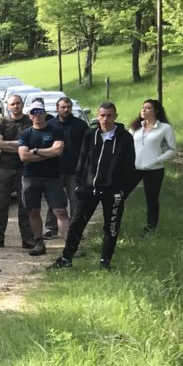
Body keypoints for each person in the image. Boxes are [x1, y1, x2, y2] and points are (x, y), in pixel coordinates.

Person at [50, 102, 136, 271]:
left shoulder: (125, 137)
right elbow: (82, 160)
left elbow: (130, 166)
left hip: (112, 191)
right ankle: (66, 258)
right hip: (88, 189)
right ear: (98, 116)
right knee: (76, 224)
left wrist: (123, 191)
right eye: (102, 115)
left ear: (115, 116)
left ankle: (105, 261)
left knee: (111, 227)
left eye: (109, 115)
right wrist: (79, 184)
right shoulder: (90, 134)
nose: (105, 119)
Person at [0, 94, 37, 249]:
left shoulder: (30, 121)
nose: (15, 106)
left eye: (18, 103)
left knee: (25, 204)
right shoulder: (2, 121)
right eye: (12, 104)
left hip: (25, 168)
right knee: (1, 204)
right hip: (4, 167)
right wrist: (22, 147)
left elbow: (34, 143)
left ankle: (28, 238)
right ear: (8, 106)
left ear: (22, 104)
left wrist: (8, 144)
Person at [17, 101, 68, 256]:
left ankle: (70, 245)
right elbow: (23, 156)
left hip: (52, 177)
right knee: (33, 211)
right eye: (34, 112)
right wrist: (47, 153)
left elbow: (57, 151)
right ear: (29, 115)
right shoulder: (26, 134)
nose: (37, 115)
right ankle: (39, 243)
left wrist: (36, 151)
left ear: (45, 113)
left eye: (40, 111)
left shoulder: (56, 131)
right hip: (30, 177)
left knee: (60, 211)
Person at [129, 98, 177, 235]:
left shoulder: (165, 128)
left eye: (148, 108)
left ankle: (150, 228)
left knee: (151, 199)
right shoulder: (135, 127)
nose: (143, 110)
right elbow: (127, 144)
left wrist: (157, 160)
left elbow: (172, 150)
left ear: (155, 111)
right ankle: (114, 224)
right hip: (134, 168)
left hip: (154, 170)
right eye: (142, 107)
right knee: (120, 194)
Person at [47, 97, 88, 238]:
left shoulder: (81, 125)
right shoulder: (50, 125)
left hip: (75, 170)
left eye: (68, 107)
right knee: (54, 200)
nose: (66, 110)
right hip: (54, 169)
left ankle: (75, 229)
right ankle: (51, 228)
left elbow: (88, 147)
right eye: (63, 107)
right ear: (57, 108)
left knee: (76, 201)